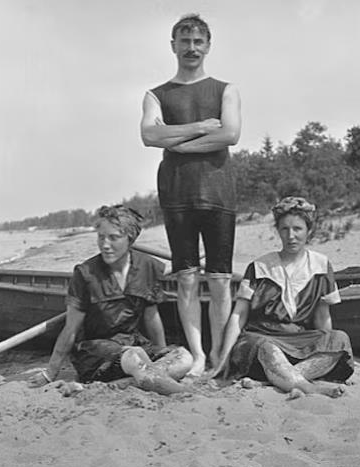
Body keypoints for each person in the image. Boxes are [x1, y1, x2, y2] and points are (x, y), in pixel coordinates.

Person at [140, 13, 242, 376]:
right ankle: (197, 355)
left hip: (218, 192)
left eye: (198, 42)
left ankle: (218, 353)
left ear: (208, 46)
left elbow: (230, 134)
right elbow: (150, 136)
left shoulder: (226, 90)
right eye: (185, 42)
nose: (192, 48)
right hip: (177, 192)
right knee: (185, 277)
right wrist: (200, 128)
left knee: (219, 279)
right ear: (173, 46)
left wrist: (177, 141)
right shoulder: (157, 94)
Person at [29, 205, 192, 396]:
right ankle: (186, 393)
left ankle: (105, 387)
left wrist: (160, 353)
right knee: (134, 357)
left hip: (133, 344)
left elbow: (151, 318)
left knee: (183, 357)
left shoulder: (146, 266)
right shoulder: (85, 273)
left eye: (113, 238)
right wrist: (50, 373)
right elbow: (71, 329)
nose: (105, 244)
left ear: (130, 239)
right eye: (101, 237)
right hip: (95, 353)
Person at [212, 197, 354, 398]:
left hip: (298, 340)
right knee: (266, 347)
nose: (291, 236)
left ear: (309, 231)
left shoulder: (321, 265)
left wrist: (324, 345)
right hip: (261, 338)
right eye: (285, 229)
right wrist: (223, 358)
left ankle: (271, 382)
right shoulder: (259, 267)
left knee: (339, 339)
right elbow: (239, 315)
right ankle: (311, 388)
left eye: (297, 229)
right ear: (278, 231)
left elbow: (323, 317)